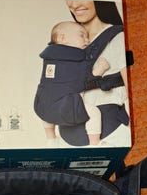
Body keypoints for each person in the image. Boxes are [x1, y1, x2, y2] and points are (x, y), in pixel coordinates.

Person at [34, 19, 126, 147]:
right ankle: (94, 143)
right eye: (82, 36)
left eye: (87, 36)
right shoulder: (74, 57)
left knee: (47, 113)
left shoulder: (50, 56)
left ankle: (51, 138)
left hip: (42, 105)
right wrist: (99, 70)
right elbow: (81, 82)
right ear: (62, 38)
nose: (87, 40)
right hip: (67, 107)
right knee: (94, 113)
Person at [65, 0, 130, 146]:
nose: (74, 4)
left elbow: (131, 89)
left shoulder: (118, 37)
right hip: (70, 132)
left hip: (110, 133)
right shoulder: (67, 38)